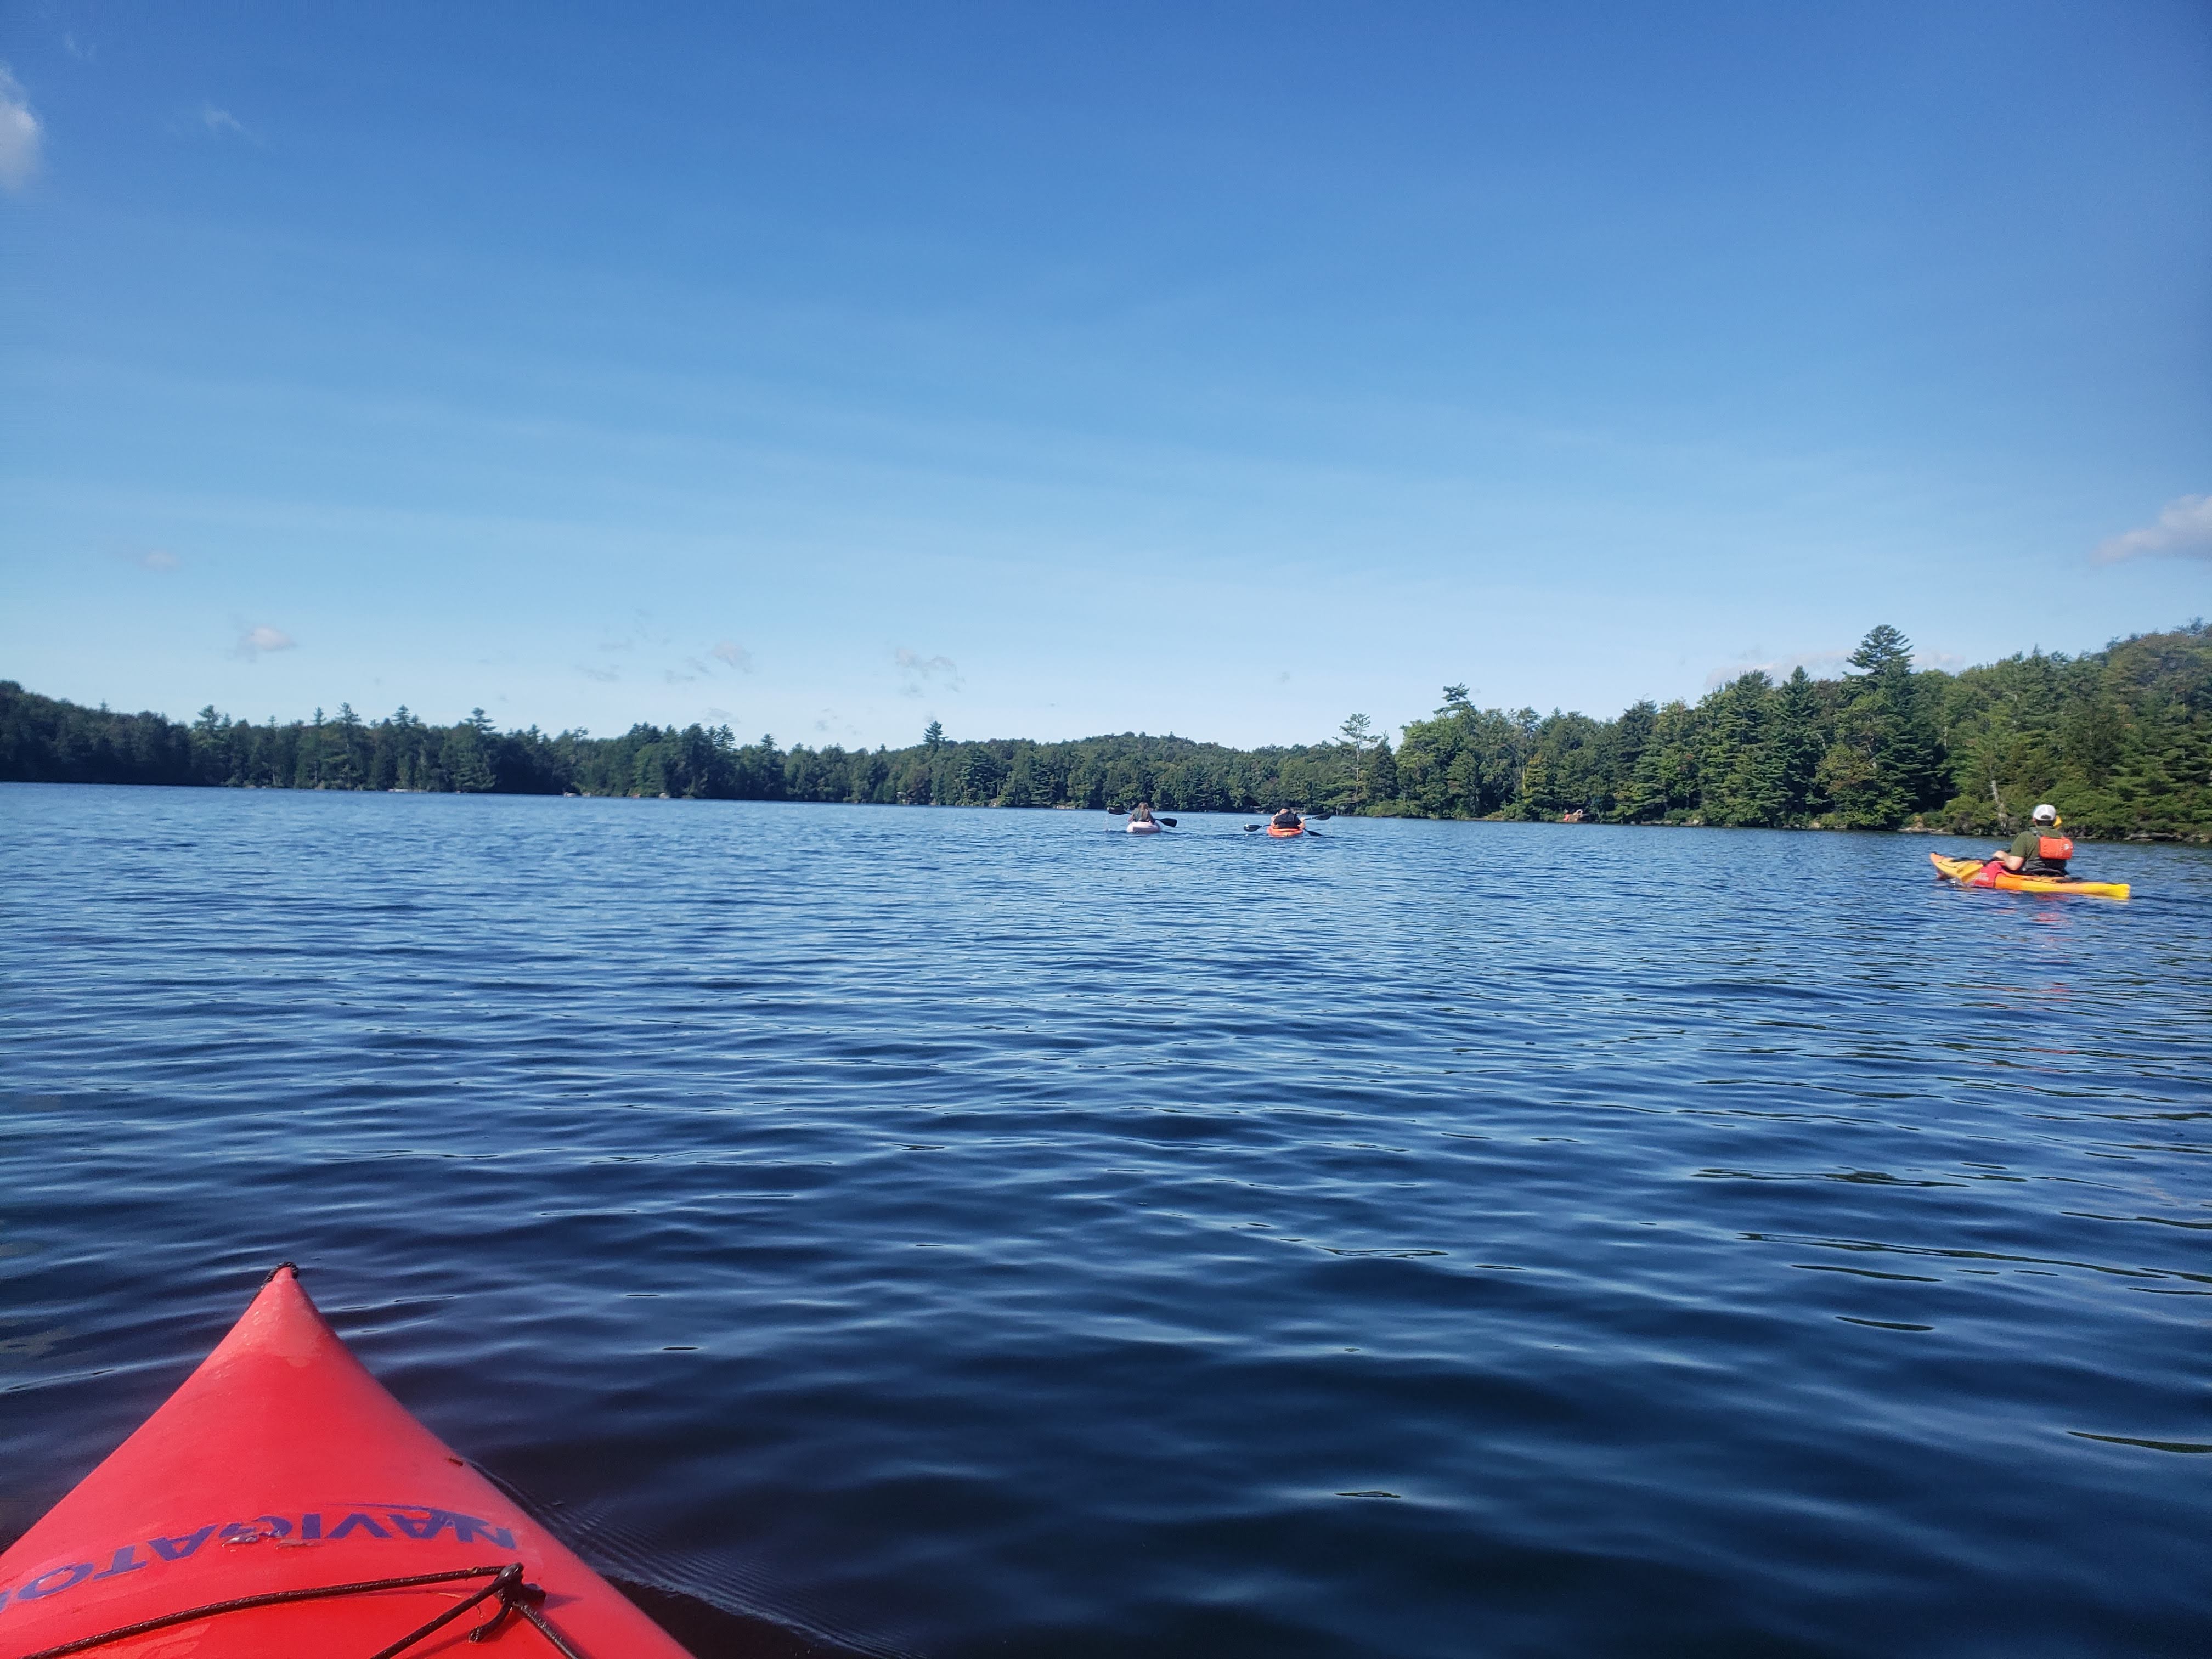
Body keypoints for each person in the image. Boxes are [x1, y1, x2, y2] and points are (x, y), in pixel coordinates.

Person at [1996, 804, 2074, 878]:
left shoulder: (2026, 836)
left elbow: (2014, 865)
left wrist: (2003, 855)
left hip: (2031, 877)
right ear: (2054, 820)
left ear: (2034, 819)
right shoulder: (2063, 838)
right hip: (2058, 876)